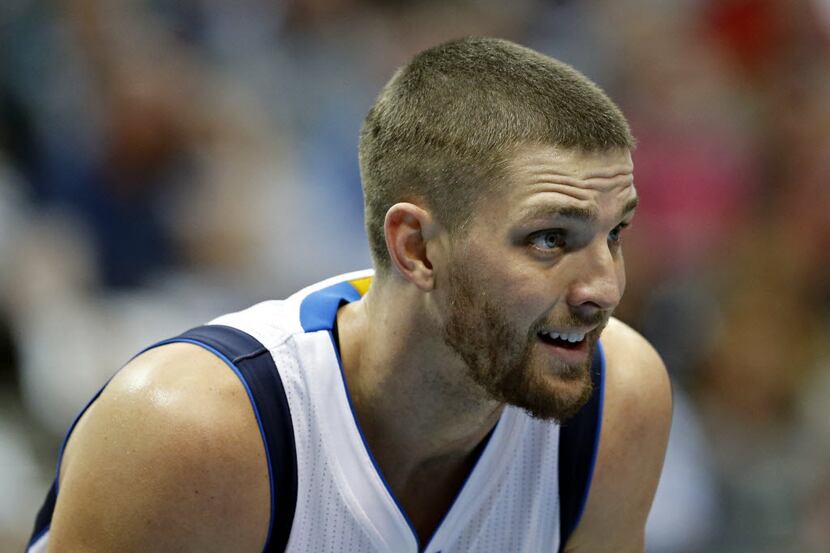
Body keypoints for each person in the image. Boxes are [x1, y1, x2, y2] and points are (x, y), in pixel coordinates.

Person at [28, 37, 671, 553]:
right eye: (549, 239)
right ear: (416, 248)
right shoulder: (190, 434)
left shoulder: (620, 399)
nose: (604, 289)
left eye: (615, 233)